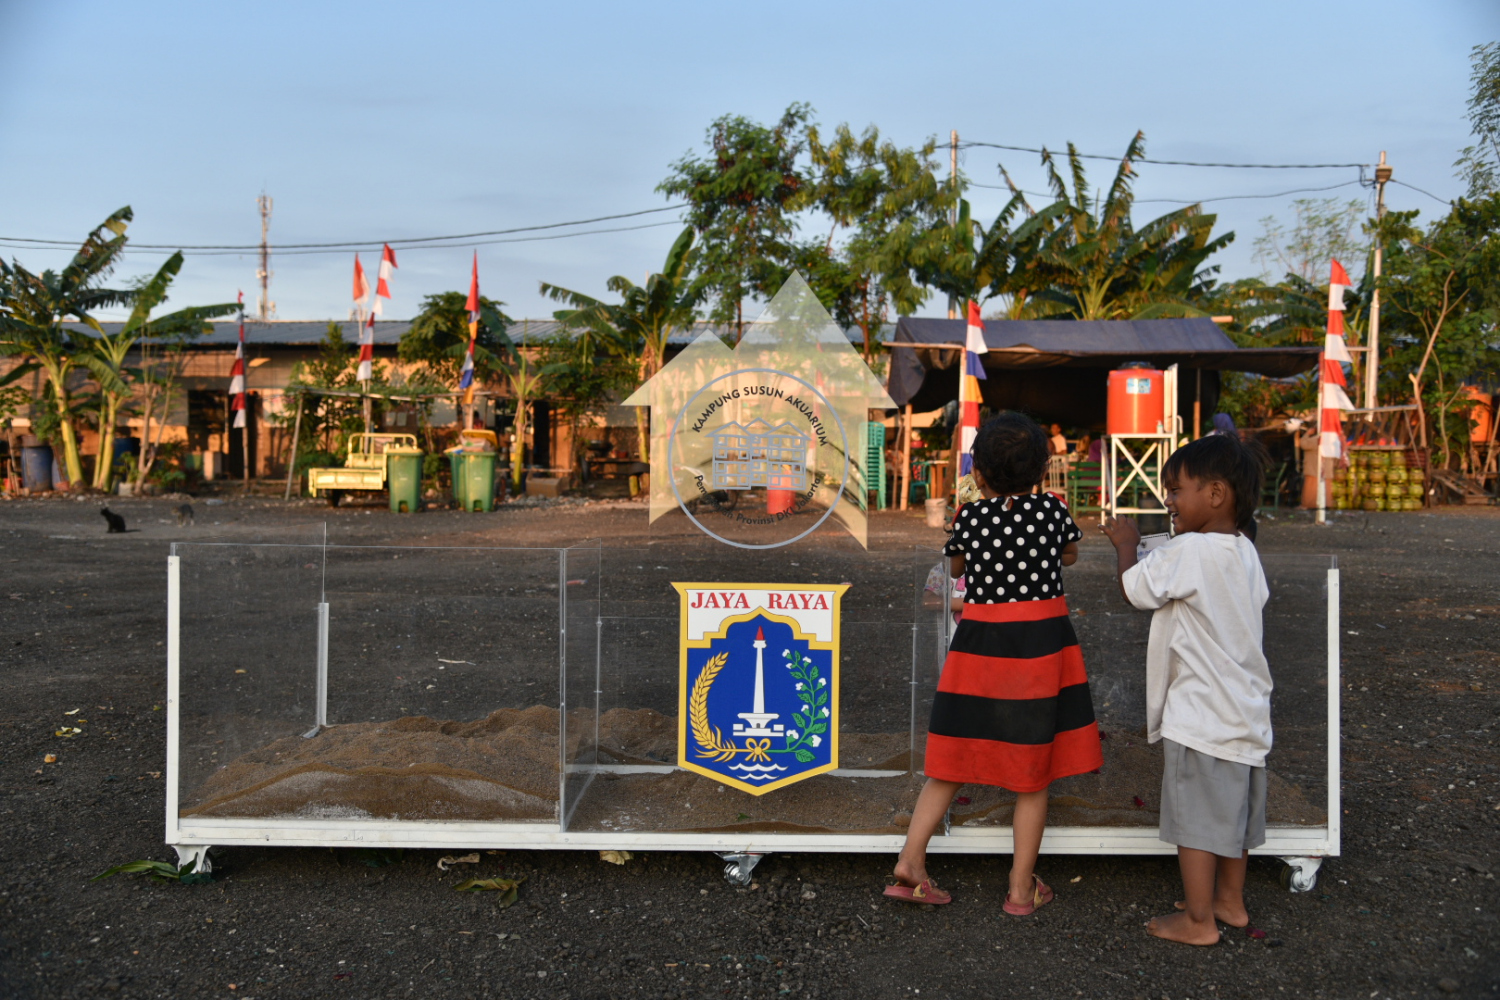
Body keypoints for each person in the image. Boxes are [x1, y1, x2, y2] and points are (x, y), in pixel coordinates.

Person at [886, 413, 1103, 913]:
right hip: (1040, 650)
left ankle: (911, 861)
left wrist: (976, 515)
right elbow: (1069, 556)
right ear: (1042, 472)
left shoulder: (972, 518)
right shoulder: (1052, 510)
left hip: (981, 647)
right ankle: (1020, 887)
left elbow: (956, 568)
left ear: (978, 473)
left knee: (951, 760)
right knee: (1034, 772)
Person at [1099, 434, 1270, 946]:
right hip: (1246, 711)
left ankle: (1199, 922)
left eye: (1176, 490)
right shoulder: (1244, 551)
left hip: (1200, 713)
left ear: (1216, 495)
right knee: (1233, 817)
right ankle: (1229, 902)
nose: (1168, 501)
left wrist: (1126, 544)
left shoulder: (1191, 549)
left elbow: (1135, 590)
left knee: (1196, 822)